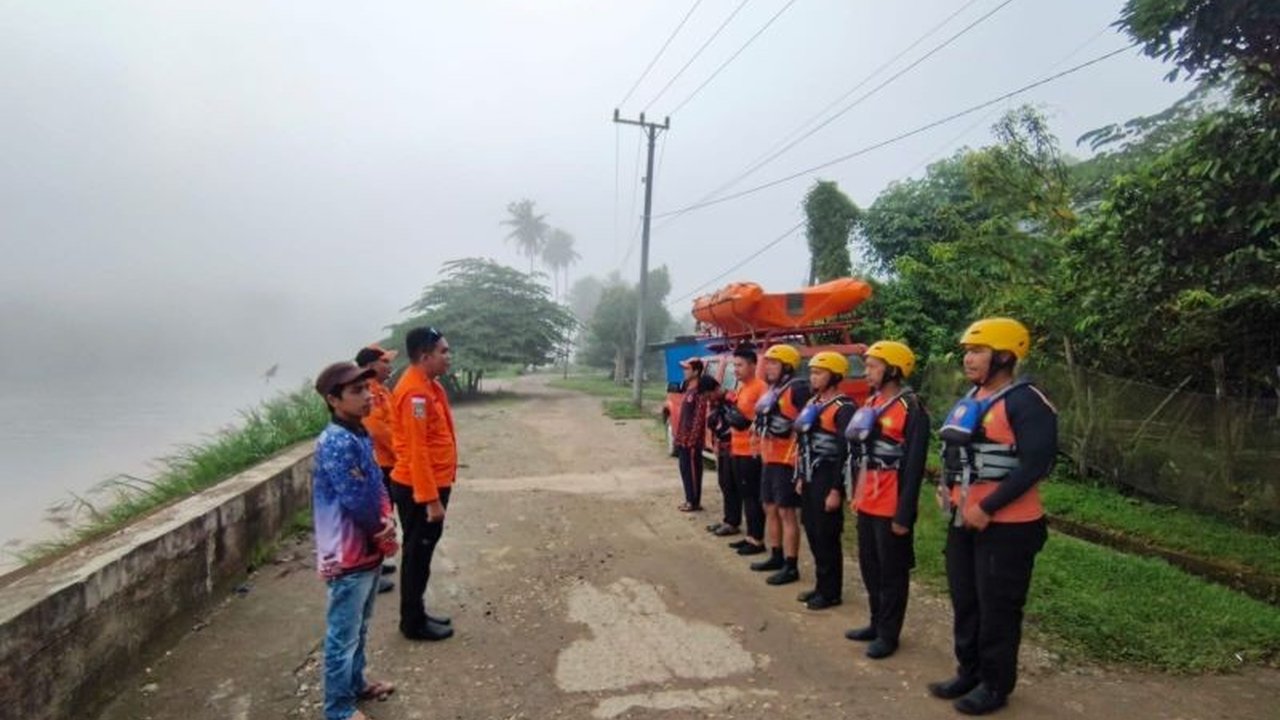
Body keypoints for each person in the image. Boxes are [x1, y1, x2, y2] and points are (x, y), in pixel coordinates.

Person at [928, 318, 1057, 716]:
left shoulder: (1027, 402)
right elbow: (958, 452)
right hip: (964, 519)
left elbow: (1036, 464)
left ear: (1003, 356)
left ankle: (995, 684)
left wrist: (987, 507)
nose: (968, 358)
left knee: (997, 607)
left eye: (977, 351)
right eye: (967, 351)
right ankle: (969, 672)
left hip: (1008, 527)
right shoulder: (973, 397)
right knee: (965, 599)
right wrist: (947, 487)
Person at [311, 361, 399, 720]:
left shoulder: (358, 432)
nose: (367, 396)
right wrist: (383, 528)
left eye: (366, 388)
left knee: (359, 627)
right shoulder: (336, 441)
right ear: (333, 400)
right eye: (356, 391)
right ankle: (338, 709)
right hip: (347, 552)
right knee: (342, 636)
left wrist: (387, 517)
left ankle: (357, 684)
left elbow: (375, 484)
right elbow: (355, 497)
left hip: (368, 546)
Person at [844, 341, 930, 659]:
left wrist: (903, 515)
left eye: (873, 367)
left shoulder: (912, 408)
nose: (866, 372)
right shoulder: (872, 402)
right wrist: (856, 493)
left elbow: (915, 465)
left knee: (892, 570)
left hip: (891, 500)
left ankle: (889, 634)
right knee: (869, 565)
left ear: (893, 369)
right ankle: (875, 621)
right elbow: (860, 454)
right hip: (868, 497)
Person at [389, 326, 458, 642]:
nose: (448, 356)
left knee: (422, 552)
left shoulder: (428, 386)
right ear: (424, 355)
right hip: (419, 488)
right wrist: (430, 499)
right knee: (418, 553)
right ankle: (412, 622)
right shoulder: (415, 394)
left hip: (431, 482)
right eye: (443, 351)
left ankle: (417, 612)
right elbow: (417, 450)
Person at [793, 351, 856, 611]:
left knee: (826, 534)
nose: (813, 377)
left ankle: (831, 592)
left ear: (835, 376)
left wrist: (836, 490)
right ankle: (821, 585)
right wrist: (800, 475)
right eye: (812, 372)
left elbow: (844, 452)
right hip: (810, 475)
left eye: (819, 373)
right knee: (812, 530)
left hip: (828, 476)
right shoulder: (813, 402)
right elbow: (802, 442)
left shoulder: (844, 408)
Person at [750, 343, 811, 585]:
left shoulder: (797, 389)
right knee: (769, 507)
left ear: (787, 366)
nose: (768, 368)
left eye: (774, 363)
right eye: (767, 363)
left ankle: (791, 564)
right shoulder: (773, 390)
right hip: (770, 458)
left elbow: (807, 424)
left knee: (787, 512)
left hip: (788, 459)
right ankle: (776, 555)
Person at [355, 343, 399, 595]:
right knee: (376, 518)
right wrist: (401, 453)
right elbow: (379, 430)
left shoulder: (381, 391)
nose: (389, 366)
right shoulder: (367, 394)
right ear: (371, 365)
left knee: (384, 515)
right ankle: (369, 572)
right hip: (379, 464)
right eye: (385, 362)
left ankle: (377, 564)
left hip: (388, 462)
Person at [724, 344, 768, 556]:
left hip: (753, 451)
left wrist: (747, 422)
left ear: (752, 365)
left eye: (740, 365)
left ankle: (757, 539)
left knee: (753, 496)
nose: (736, 369)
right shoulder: (741, 388)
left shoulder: (761, 388)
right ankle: (750, 535)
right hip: (737, 448)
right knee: (744, 494)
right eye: (734, 365)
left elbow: (763, 419)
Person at [674, 358, 717, 512]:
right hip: (683, 438)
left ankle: (693, 501)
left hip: (692, 440)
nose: (684, 372)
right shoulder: (688, 388)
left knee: (692, 470)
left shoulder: (699, 391)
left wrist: (693, 439)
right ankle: (688, 499)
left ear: (696, 371)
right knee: (684, 469)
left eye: (687, 369)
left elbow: (699, 416)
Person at [705, 385, 740, 537]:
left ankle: (732, 522)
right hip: (722, 448)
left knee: (731, 485)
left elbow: (734, 425)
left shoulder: (731, 400)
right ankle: (727, 519)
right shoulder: (717, 402)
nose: (708, 400)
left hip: (733, 448)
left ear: (714, 389)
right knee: (724, 484)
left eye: (708, 396)